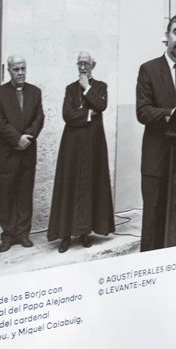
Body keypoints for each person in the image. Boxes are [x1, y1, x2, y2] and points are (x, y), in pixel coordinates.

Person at [136, 14, 176, 252]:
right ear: (167, 36)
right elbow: (142, 112)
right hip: (157, 161)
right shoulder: (149, 70)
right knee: (153, 221)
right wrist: (171, 113)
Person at [47, 52, 115, 253]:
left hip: (93, 145)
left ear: (93, 65)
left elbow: (101, 105)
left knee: (89, 185)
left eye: (86, 63)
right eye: (80, 63)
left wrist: (87, 88)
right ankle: (66, 235)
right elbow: (67, 115)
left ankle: (85, 232)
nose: (83, 67)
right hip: (72, 145)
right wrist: (87, 114)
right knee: (70, 185)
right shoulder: (69, 89)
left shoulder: (100, 87)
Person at [0, 55, 44, 252]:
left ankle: (23, 233)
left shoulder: (35, 92)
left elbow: (39, 117)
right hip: (7, 154)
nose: (20, 72)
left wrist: (28, 136)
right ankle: (8, 235)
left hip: (27, 152)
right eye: (16, 69)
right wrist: (16, 139)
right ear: (9, 71)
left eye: (23, 68)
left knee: (24, 194)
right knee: (5, 196)